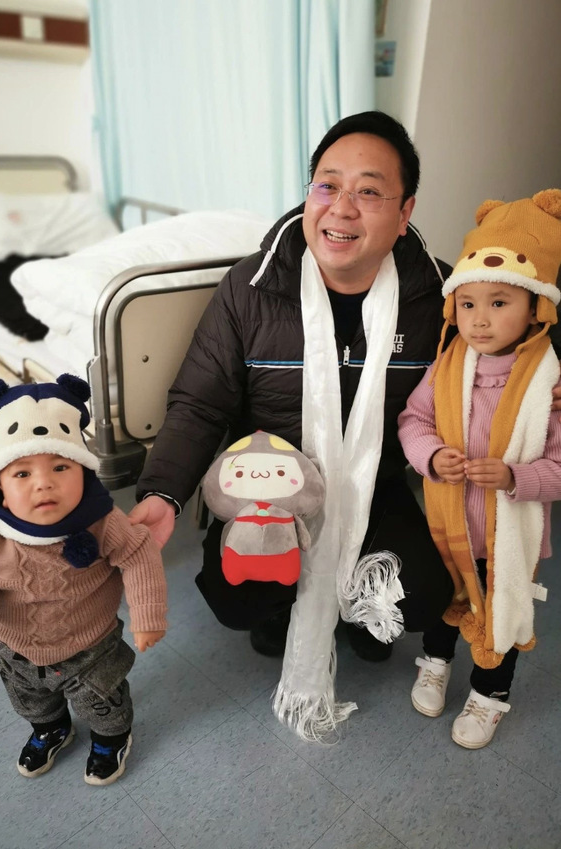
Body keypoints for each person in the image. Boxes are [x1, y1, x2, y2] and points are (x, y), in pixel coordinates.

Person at [129, 111, 561, 740]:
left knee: (422, 595)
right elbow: (200, 403)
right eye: (327, 185)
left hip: (371, 485)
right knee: (237, 596)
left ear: (405, 211)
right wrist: (163, 492)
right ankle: (284, 605)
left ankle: (355, 608)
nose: (341, 208)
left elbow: (516, 338)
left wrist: (544, 389)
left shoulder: (441, 297)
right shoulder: (251, 287)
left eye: (369, 191)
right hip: (269, 485)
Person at [0, 374, 167, 785]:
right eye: (22, 474)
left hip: (90, 646)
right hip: (14, 647)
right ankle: (51, 729)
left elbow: (138, 554)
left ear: (84, 471)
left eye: (61, 467)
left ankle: (111, 738)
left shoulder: (101, 521)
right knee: (30, 701)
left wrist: (147, 615)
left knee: (103, 701)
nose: (43, 482)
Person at [398, 190, 561, 749]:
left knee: (501, 608)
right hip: (449, 523)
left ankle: (490, 694)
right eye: (467, 304)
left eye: (499, 302)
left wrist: (516, 478)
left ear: (536, 307)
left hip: (505, 538)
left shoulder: (548, 386)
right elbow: (414, 419)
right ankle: (435, 662)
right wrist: (430, 455)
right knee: (442, 599)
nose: (480, 319)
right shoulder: (448, 365)